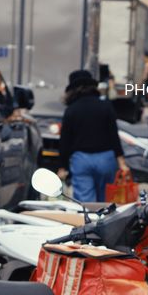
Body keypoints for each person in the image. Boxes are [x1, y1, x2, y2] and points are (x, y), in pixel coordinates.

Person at [58, 68, 122, 204]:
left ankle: (90, 224)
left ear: (72, 90)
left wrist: (62, 166)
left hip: (81, 160)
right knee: (106, 202)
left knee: (86, 203)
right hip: (106, 159)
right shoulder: (106, 106)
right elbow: (114, 135)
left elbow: (65, 141)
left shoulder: (71, 110)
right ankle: (106, 224)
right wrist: (121, 160)